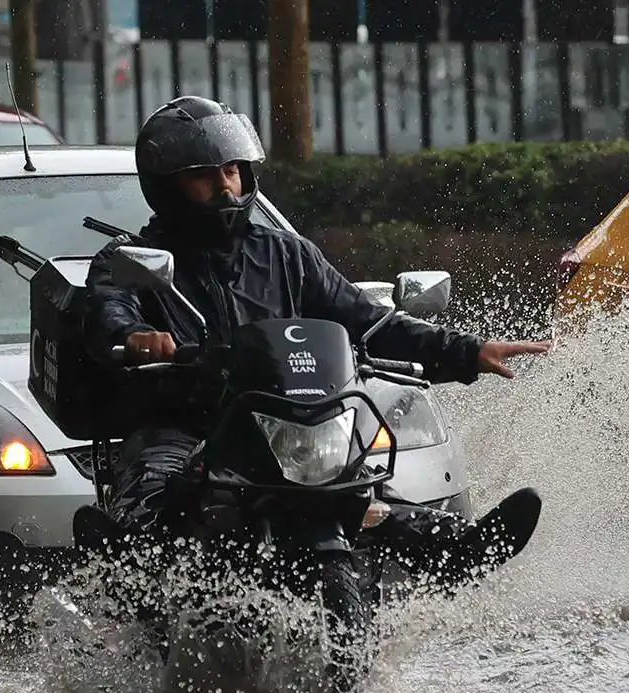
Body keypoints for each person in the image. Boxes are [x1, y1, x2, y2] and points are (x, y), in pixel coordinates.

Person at [82, 95, 550, 591]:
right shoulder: (133, 260)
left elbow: (366, 319)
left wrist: (467, 350)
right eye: (205, 174)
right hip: (180, 421)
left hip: (281, 420)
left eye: (233, 170)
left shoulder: (288, 255)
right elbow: (108, 310)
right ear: (167, 185)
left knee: (358, 486)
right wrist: (135, 338)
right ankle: (124, 581)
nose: (224, 184)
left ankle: (455, 550)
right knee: (149, 506)